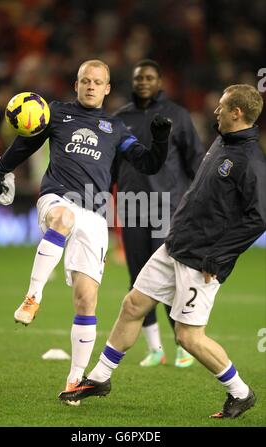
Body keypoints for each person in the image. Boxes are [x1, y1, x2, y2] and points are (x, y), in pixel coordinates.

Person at [59, 84, 266, 418]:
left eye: (222, 106)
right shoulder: (221, 141)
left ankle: (240, 392)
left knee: (188, 337)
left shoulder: (250, 161)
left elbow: (259, 219)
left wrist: (220, 256)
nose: (216, 110)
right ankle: (99, 378)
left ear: (236, 113)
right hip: (176, 245)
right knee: (133, 304)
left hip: (202, 259)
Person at [0, 59, 172, 407]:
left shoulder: (115, 129)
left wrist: (159, 140)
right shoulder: (54, 113)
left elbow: (148, 163)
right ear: (76, 84)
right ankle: (33, 295)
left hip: (96, 216)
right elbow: (25, 145)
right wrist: (0, 170)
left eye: (97, 82)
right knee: (62, 218)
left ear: (107, 88)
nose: (90, 86)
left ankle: (75, 380)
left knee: (87, 299)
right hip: (57, 199)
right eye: (85, 80)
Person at [113, 59, 205, 367]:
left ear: (160, 82)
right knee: (138, 280)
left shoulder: (177, 115)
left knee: (169, 278)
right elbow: (110, 167)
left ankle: (183, 345)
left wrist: (199, 203)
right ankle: (155, 349)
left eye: (149, 78)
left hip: (168, 209)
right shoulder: (118, 118)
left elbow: (196, 162)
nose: (143, 82)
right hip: (132, 208)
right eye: (139, 78)